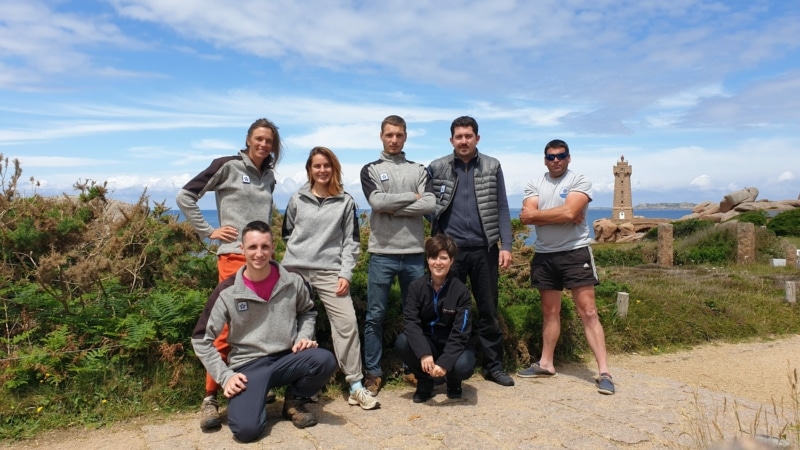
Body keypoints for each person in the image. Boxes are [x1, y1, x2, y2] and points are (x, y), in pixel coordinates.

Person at [176, 118, 282, 429]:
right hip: (234, 258)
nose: (264, 144)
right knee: (223, 328)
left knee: (261, 325)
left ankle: (256, 385)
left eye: (269, 141)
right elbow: (185, 196)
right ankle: (210, 397)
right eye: (259, 138)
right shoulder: (227, 166)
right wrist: (209, 230)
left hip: (263, 259)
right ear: (249, 139)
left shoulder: (269, 176)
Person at [191, 221, 338, 443]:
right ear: (242, 249)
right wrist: (225, 376)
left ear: (272, 248)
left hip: (288, 358)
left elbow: (308, 312)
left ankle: (294, 400)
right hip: (248, 366)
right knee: (246, 432)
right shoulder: (227, 291)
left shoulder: (293, 280)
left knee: (324, 360)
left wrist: (303, 336)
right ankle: (253, 399)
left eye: (264, 247)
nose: (259, 253)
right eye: (252, 247)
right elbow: (201, 338)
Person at [281, 147, 378, 410]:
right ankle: (301, 386)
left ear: (334, 168)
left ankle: (355, 385)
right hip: (295, 271)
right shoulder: (296, 198)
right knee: (292, 326)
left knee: (346, 324)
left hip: (330, 272)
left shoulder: (345, 201)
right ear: (309, 170)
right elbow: (287, 233)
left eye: (326, 165)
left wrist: (345, 272)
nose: (322, 170)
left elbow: (351, 242)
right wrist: (298, 258)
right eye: (316, 166)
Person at [516, 139, 615, 395]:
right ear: (545, 159)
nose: (556, 160)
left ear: (569, 157)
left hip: (575, 251)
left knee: (588, 311)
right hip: (545, 254)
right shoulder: (534, 183)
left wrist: (556, 214)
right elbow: (527, 216)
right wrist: (563, 213)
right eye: (551, 157)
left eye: (561, 156)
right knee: (550, 311)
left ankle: (604, 372)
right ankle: (546, 363)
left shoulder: (579, 180)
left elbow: (568, 214)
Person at [426, 116, 514, 387]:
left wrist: (506, 246)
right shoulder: (437, 167)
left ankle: (493, 367)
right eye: (458, 136)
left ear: (477, 137)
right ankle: (441, 368)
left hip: (484, 249)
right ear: (451, 139)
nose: (463, 141)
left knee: (488, 309)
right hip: (448, 254)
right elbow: (428, 207)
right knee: (444, 310)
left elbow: (501, 207)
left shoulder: (492, 166)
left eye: (468, 136)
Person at [359, 115, 436, 396]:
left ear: (405, 137)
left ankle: (412, 369)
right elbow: (376, 202)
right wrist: (412, 197)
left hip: (414, 253)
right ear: (381, 135)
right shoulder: (370, 169)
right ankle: (373, 373)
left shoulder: (419, 169)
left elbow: (429, 203)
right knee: (375, 316)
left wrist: (393, 206)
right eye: (389, 135)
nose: (394, 140)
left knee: (414, 316)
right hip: (382, 253)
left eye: (399, 135)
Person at [395, 234, 476, 403]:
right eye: (433, 257)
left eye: (443, 258)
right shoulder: (416, 287)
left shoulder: (461, 291)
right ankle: (424, 382)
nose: (438, 262)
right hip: (428, 344)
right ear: (427, 259)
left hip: (451, 344)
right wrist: (424, 353)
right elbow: (411, 323)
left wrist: (445, 362)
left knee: (464, 365)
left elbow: (461, 332)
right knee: (403, 341)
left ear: (451, 261)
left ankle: (453, 381)